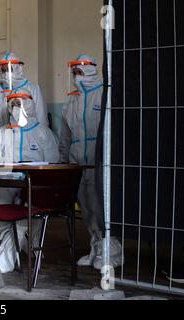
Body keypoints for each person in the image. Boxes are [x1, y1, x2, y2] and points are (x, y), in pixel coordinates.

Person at [59, 54, 123, 270]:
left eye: (79, 72)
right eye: (74, 73)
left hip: (99, 161)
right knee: (86, 209)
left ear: (90, 71)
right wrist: (64, 160)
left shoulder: (104, 93)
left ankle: (113, 253)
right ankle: (95, 248)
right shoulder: (72, 99)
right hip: (79, 162)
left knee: (102, 207)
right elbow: (65, 135)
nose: (76, 77)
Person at [0, 93, 60, 273]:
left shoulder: (43, 133)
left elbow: (53, 164)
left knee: (24, 217)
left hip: (35, 187)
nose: (15, 107)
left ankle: (2, 262)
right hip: (5, 183)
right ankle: (14, 249)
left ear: (29, 105)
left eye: (19, 103)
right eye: (12, 103)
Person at [0, 52, 49, 131]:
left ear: (18, 68)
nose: (6, 73)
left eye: (9, 69)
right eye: (3, 70)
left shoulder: (32, 89)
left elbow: (41, 118)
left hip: (29, 138)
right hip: (1, 139)